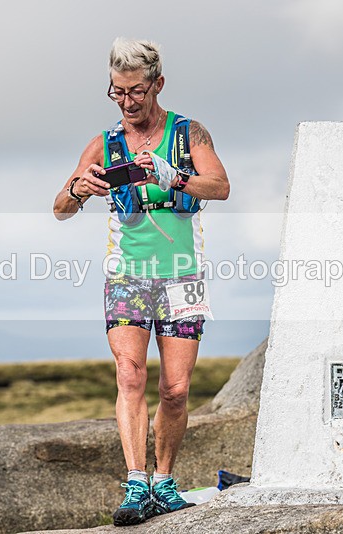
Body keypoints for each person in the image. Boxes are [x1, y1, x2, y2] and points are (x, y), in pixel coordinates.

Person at [53, 38, 229, 526]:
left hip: (182, 276)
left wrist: (175, 176)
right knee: (130, 374)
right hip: (127, 275)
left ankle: (165, 481)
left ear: (158, 85)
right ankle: (136, 483)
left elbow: (221, 187)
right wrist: (79, 188)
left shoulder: (188, 132)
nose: (128, 102)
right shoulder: (104, 143)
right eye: (117, 92)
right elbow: (59, 209)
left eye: (136, 91)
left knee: (175, 388)